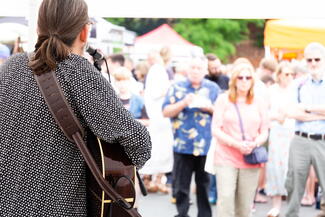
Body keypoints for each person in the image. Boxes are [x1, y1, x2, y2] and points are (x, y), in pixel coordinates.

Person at [0, 0, 151, 216]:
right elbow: (139, 144)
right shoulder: (79, 72)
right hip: (56, 208)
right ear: (85, 32)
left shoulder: (11, 67)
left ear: (38, 28)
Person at [163, 56, 220, 217]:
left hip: (205, 145)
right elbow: (165, 111)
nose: (196, 71)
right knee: (181, 185)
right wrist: (183, 103)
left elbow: (223, 114)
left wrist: (210, 108)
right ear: (187, 70)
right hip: (183, 144)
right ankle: (182, 214)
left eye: (199, 68)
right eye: (193, 68)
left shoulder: (213, 88)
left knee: (204, 185)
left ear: (205, 71)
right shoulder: (177, 87)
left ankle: (204, 214)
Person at [211, 60, 269, 217]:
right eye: (240, 77)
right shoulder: (223, 100)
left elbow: (264, 131)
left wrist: (255, 143)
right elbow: (215, 129)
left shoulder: (259, 101)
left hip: (250, 157)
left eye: (248, 78)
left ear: (253, 80)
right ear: (234, 80)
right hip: (226, 156)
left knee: (244, 205)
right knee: (226, 199)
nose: (244, 81)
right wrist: (236, 144)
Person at [285, 42, 325, 217]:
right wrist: (320, 112)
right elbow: (292, 111)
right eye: (310, 60)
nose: (313, 63)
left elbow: (301, 110)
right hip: (300, 139)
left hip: (323, 139)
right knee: (293, 184)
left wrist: (307, 108)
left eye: (317, 59)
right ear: (305, 61)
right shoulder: (298, 84)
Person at [265, 61, 295, 217]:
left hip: (292, 132)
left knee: (292, 169)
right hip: (277, 132)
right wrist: (277, 116)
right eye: (286, 74)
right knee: (276, 168)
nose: (289, 77)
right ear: (279, 75)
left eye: (291, 74)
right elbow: (264, 112)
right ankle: (276, 206)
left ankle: (291, 206)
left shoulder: (295, 90)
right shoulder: (272, 91)